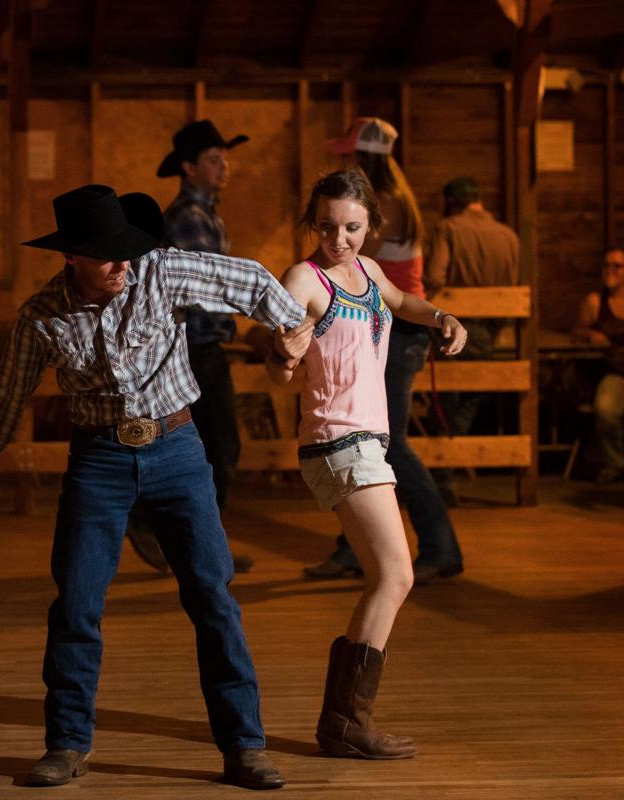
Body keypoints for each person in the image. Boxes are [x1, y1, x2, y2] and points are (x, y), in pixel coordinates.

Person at [0, 184, 312, 789]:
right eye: (105, 254)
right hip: (98, 458)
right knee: (77, 601)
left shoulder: (160, 271)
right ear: (70, 257)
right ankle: (67, 742)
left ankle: (243, 743)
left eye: (125, 249)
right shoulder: (42, 317)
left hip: (175, 447)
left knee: (211, 594)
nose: (122, 262)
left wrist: (292, 328)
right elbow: (9, 389)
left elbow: (248, 279)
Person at [270, 168, 467, 758]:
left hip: (365, 442)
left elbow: (402, 299)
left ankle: (344, 721)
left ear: (370, 226)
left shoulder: (365, 271)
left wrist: (441, 318)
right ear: (313, 224)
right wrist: (282, 355)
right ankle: (346, 721)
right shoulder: (306, 279)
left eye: (352, 228)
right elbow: (278, 354)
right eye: (327, 227)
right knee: (396, 574)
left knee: (392, 574)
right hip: (338, 440)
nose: (340, 240)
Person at [304, 118, 465, 585]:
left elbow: (372, 279)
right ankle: (356, 546)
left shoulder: (382, 203)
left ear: (364, 159)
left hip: (391, 331)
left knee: (385, 443)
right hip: (396, 330)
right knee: (373, 441)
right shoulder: (402, 197)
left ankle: (438, 546)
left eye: (350, 156)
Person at [123, 119, 254, 576]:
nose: (225, 167)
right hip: (197, 349)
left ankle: (189, 542)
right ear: (189, 168)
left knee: (201, 448)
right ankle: (192, 544)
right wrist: (252, 314)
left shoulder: (199, 214)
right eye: (214, 160)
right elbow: (208, 287)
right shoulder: (190, 217)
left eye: (225, 159)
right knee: (219, 448)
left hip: (194, 348)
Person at [425, 175, 522, 456]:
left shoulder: (448, 229)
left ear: (452, 203)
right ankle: (450, 466)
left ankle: (443, 470)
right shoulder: (509, 236)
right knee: (469, 397)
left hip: (453, 328)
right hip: (490, 333)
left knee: (445, 400)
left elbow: (434, 277)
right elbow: (513, 287)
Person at [572, 247, 624, 483]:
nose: (610, 271)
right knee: (606, 407)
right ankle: (616, 463)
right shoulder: (595, 302)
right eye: (606, 266)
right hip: (615, 373)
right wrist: (589, 334)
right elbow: (576, 333)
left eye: (617, 266)